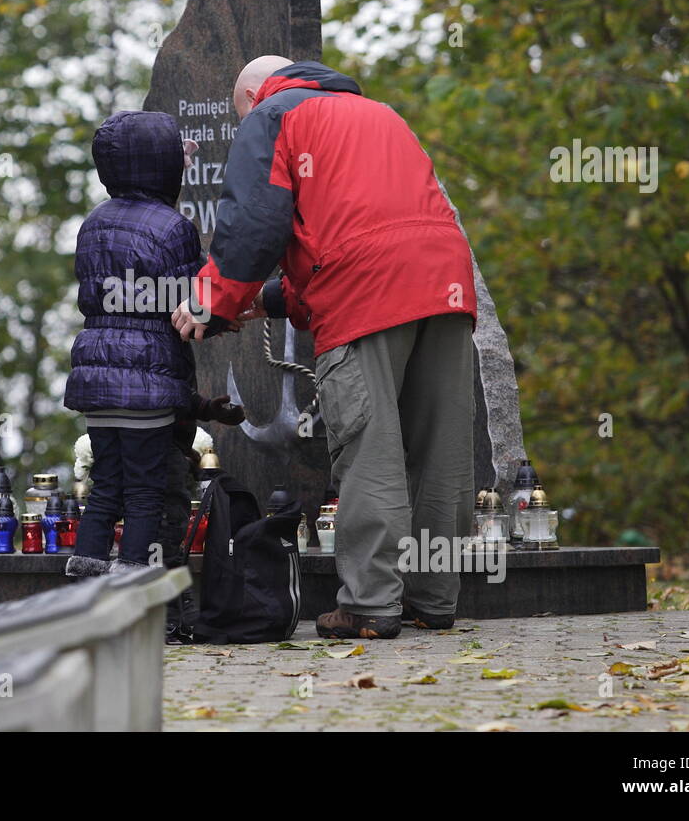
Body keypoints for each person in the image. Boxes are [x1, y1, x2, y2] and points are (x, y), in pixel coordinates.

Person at [173, 56, 478, 639]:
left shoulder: (273, 114)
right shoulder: (379, 113)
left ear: (254, 94)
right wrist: (265, 300)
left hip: (368, 292)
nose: (246, 124)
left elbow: (254, 224)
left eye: (244, 113)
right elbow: (355, 228)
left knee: (372, 448)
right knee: (442, 451)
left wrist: (213, 302)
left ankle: (370, 604)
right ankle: (435, 599)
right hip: (444, 282)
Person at [63, 111, 242, 578]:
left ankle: (84, 577)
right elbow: (186, 302)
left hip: (97, 378)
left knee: (105, 486)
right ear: (164, 165)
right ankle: (133, 582)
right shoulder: (171, 227)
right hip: (149, 382)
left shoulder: (93, 223)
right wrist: (223, 317)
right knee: (146, 491)